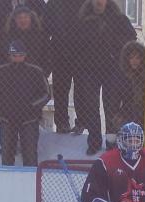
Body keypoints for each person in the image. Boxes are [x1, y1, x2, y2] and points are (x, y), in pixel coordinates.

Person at [75, 0, 136, 155]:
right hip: (89, 70)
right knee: (91, 107)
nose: (99, 2)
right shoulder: (83, 20)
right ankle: (94, 142)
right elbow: (75, 44)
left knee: (112, 107)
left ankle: (111, 142)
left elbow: (131, 39)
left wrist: (114, 45)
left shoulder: (119, 19)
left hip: (112, 70)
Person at [0, 39, 50, 166]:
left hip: (29, 120)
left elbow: (46, 94)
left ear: (25, 55)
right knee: (6, 155)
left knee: (30, 155)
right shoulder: (0, 71)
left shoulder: (36, 71)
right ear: (9, 55)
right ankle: (7, 181)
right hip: (7, 119)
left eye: (20, 55)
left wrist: (31, 107)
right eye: (14, 56)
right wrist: (1, 105)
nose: (17, 58)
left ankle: (31, 183)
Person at [45, 0, 86, 134]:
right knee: (61, 89)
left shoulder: (85, 3)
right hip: (60, 51)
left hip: (80, 51)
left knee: (81, 88)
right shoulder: (54, 3)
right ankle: (62, 123)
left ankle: (81, 123)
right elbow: (46, 25)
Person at [0, 2, 49, 74]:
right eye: (19, 17)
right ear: (14, 19)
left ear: (31, 18)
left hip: (34, 77)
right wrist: (2, 74)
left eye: (26, 17)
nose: (23, 20)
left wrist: (41, 74)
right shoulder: (3, 36)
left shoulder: (41, 37)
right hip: (8, 76)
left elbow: (48, 60)